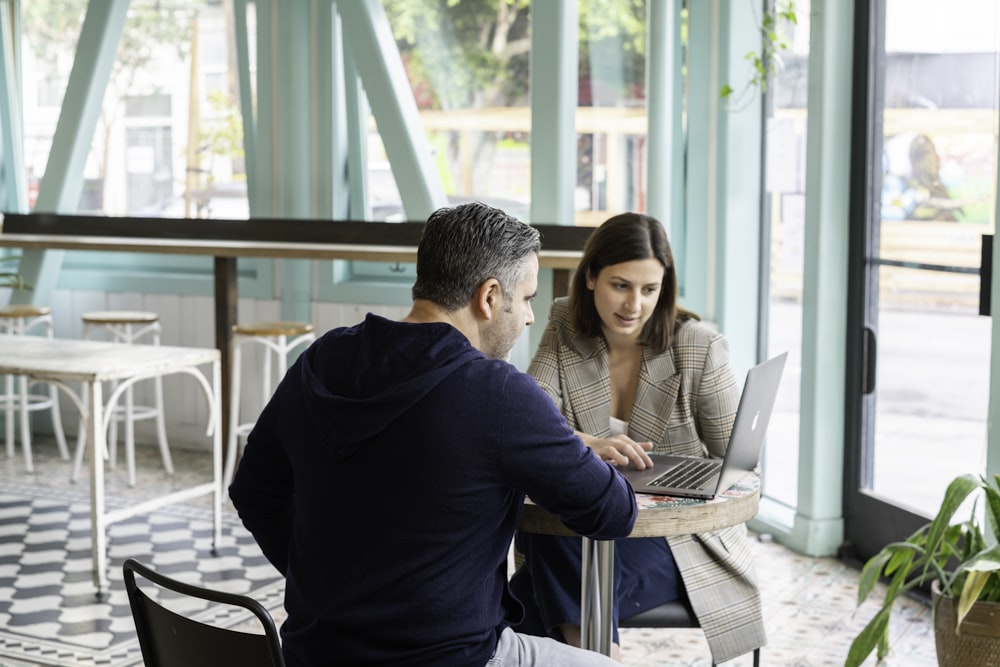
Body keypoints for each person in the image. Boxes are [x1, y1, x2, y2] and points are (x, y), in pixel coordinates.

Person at [228, 202, 637, 667]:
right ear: (488, 297)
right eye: (526, 298)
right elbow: (613, 512)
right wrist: (567, 441)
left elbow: (253, 491)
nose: (528, 317)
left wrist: (330, 589)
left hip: (315, 654)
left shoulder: (320, 360)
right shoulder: (498, 393)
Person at [508, 212, 766, 664]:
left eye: (650, 289)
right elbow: (533, 420)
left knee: (521, 594)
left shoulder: (699, 346)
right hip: (587, 527)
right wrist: (586, 442)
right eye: (621, 285)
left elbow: (740, 466)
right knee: (560, 545)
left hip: (676, 540)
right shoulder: (566, 321)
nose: (635, 305)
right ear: (590, 277)